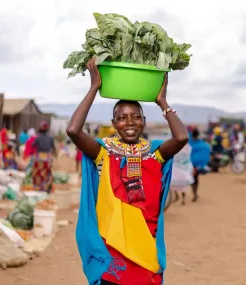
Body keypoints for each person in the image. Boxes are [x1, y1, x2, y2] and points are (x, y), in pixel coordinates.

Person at [68, 58, 188, 285]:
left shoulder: (155, 154)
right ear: (114, 123)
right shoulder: (104, 153)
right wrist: (94, 87)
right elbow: (73, 130)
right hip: (112, 250)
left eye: (135, 117)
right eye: (122, 118)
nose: (129, 123)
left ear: (144, 121)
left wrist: (162, 102)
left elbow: (181, 138)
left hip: (146, 247)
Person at [32, 121, 55, 193]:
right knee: (46, 173)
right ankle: (46, 187)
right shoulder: (50, 137)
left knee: (38, 173)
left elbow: (33, 145)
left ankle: (38, 187)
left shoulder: (38, 137)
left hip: (39, 157)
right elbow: (53, 147)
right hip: (47, 157)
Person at [189, 129, 211, 202]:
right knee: (196, 178)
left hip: (190, 164)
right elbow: (207, 149)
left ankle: (194, 193)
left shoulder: (190, 143)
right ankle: (195, 193)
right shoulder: (203, 144)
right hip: (198, 165)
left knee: (192, 179)